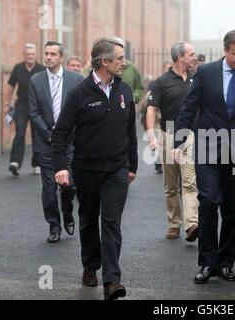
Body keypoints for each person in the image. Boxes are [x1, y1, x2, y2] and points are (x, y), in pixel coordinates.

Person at [172, 30, 235, 283]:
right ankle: (206, 263)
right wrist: (178, 141)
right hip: (209, 149)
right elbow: (189, 107)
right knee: (209, 201)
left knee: (233, 209)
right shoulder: (205, 73)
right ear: (225, 51)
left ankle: (225, 263)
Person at [52, 38, 137, 300]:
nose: (124, 62)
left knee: (111, 223)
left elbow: (130, 131)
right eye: (120, 58)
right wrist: (61, 167)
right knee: (88, 220)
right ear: (104, 62)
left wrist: (131, 165)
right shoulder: (79, 93)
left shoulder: (125, 90)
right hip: (86, 170)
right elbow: (60, 134)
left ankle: (112, 280)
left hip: (117, 171)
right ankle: (90, 266)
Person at [29, 41, 83, 243]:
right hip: (46, 143)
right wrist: (49, 133)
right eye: (46, 53)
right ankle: (54, 225)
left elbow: (81, 110)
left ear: (62, 58)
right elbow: (33, 112)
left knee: (68, 186)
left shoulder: (76, 79)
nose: (48, 57)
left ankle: (68, 212)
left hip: (69, 142)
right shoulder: (36, 81)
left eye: (53, 54)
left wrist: (69, 133)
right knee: (49, 187)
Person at [146, 42, 199, 241]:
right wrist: (151, 135)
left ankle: (192, 223)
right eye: (191, 54)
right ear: (180, 57)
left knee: (189, 180)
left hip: (190, 134)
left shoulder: (197, 79)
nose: (195, 57)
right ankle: (174, 223)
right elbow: (151, 109)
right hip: (168, 132)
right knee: (170, 185)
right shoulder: (160, 82)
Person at [5, 43, 46, 175]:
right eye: (28, 54)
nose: (30, 56)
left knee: (37, 134)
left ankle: (37, 164)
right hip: (21, 104)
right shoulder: (18, 68)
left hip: (37, 105)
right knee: (20, 132)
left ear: (35, 55)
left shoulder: (42, 69)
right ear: (24, 55)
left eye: (32, 54)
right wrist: (6, 104)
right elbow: (10, 87)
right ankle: (15, 163)